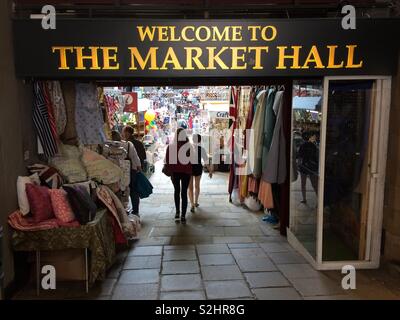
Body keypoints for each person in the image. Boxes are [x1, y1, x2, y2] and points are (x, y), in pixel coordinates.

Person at [164, 128, 193, 224]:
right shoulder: (189, 146)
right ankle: (183, 215)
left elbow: (168, 161)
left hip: (175, 173)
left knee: (176, 191)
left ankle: (177, 212)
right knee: (184, 192)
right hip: (186, 172)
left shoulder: (171, 146)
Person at [115, 129, 143, 216]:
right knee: (134, 191)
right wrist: (139, 167)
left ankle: (122, 210)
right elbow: (135, 157)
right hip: (130, 170)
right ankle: (135, 210)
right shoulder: (128, 144)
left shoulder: (107, 146)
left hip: (115, 172)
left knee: (119, 190)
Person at [188, 134, 213, 213]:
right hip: (198, 168)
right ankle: (196, 202)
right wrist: (210, 170)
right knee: (197, 186)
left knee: (190, 188)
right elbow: (206, 161)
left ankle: (191, 204)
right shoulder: (201, 149)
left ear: (192, 139)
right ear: (200, 140)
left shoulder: (188, 148)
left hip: (190, 168)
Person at [297, 131, 319, 204]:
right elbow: (316, 157)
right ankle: (319, 199)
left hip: (304, 167)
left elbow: (300, 158)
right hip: (312, 167)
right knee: (314, 185)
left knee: (303, 184)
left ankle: (304, 199)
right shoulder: (313, 146)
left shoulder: (302, 146)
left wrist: (298, 165)